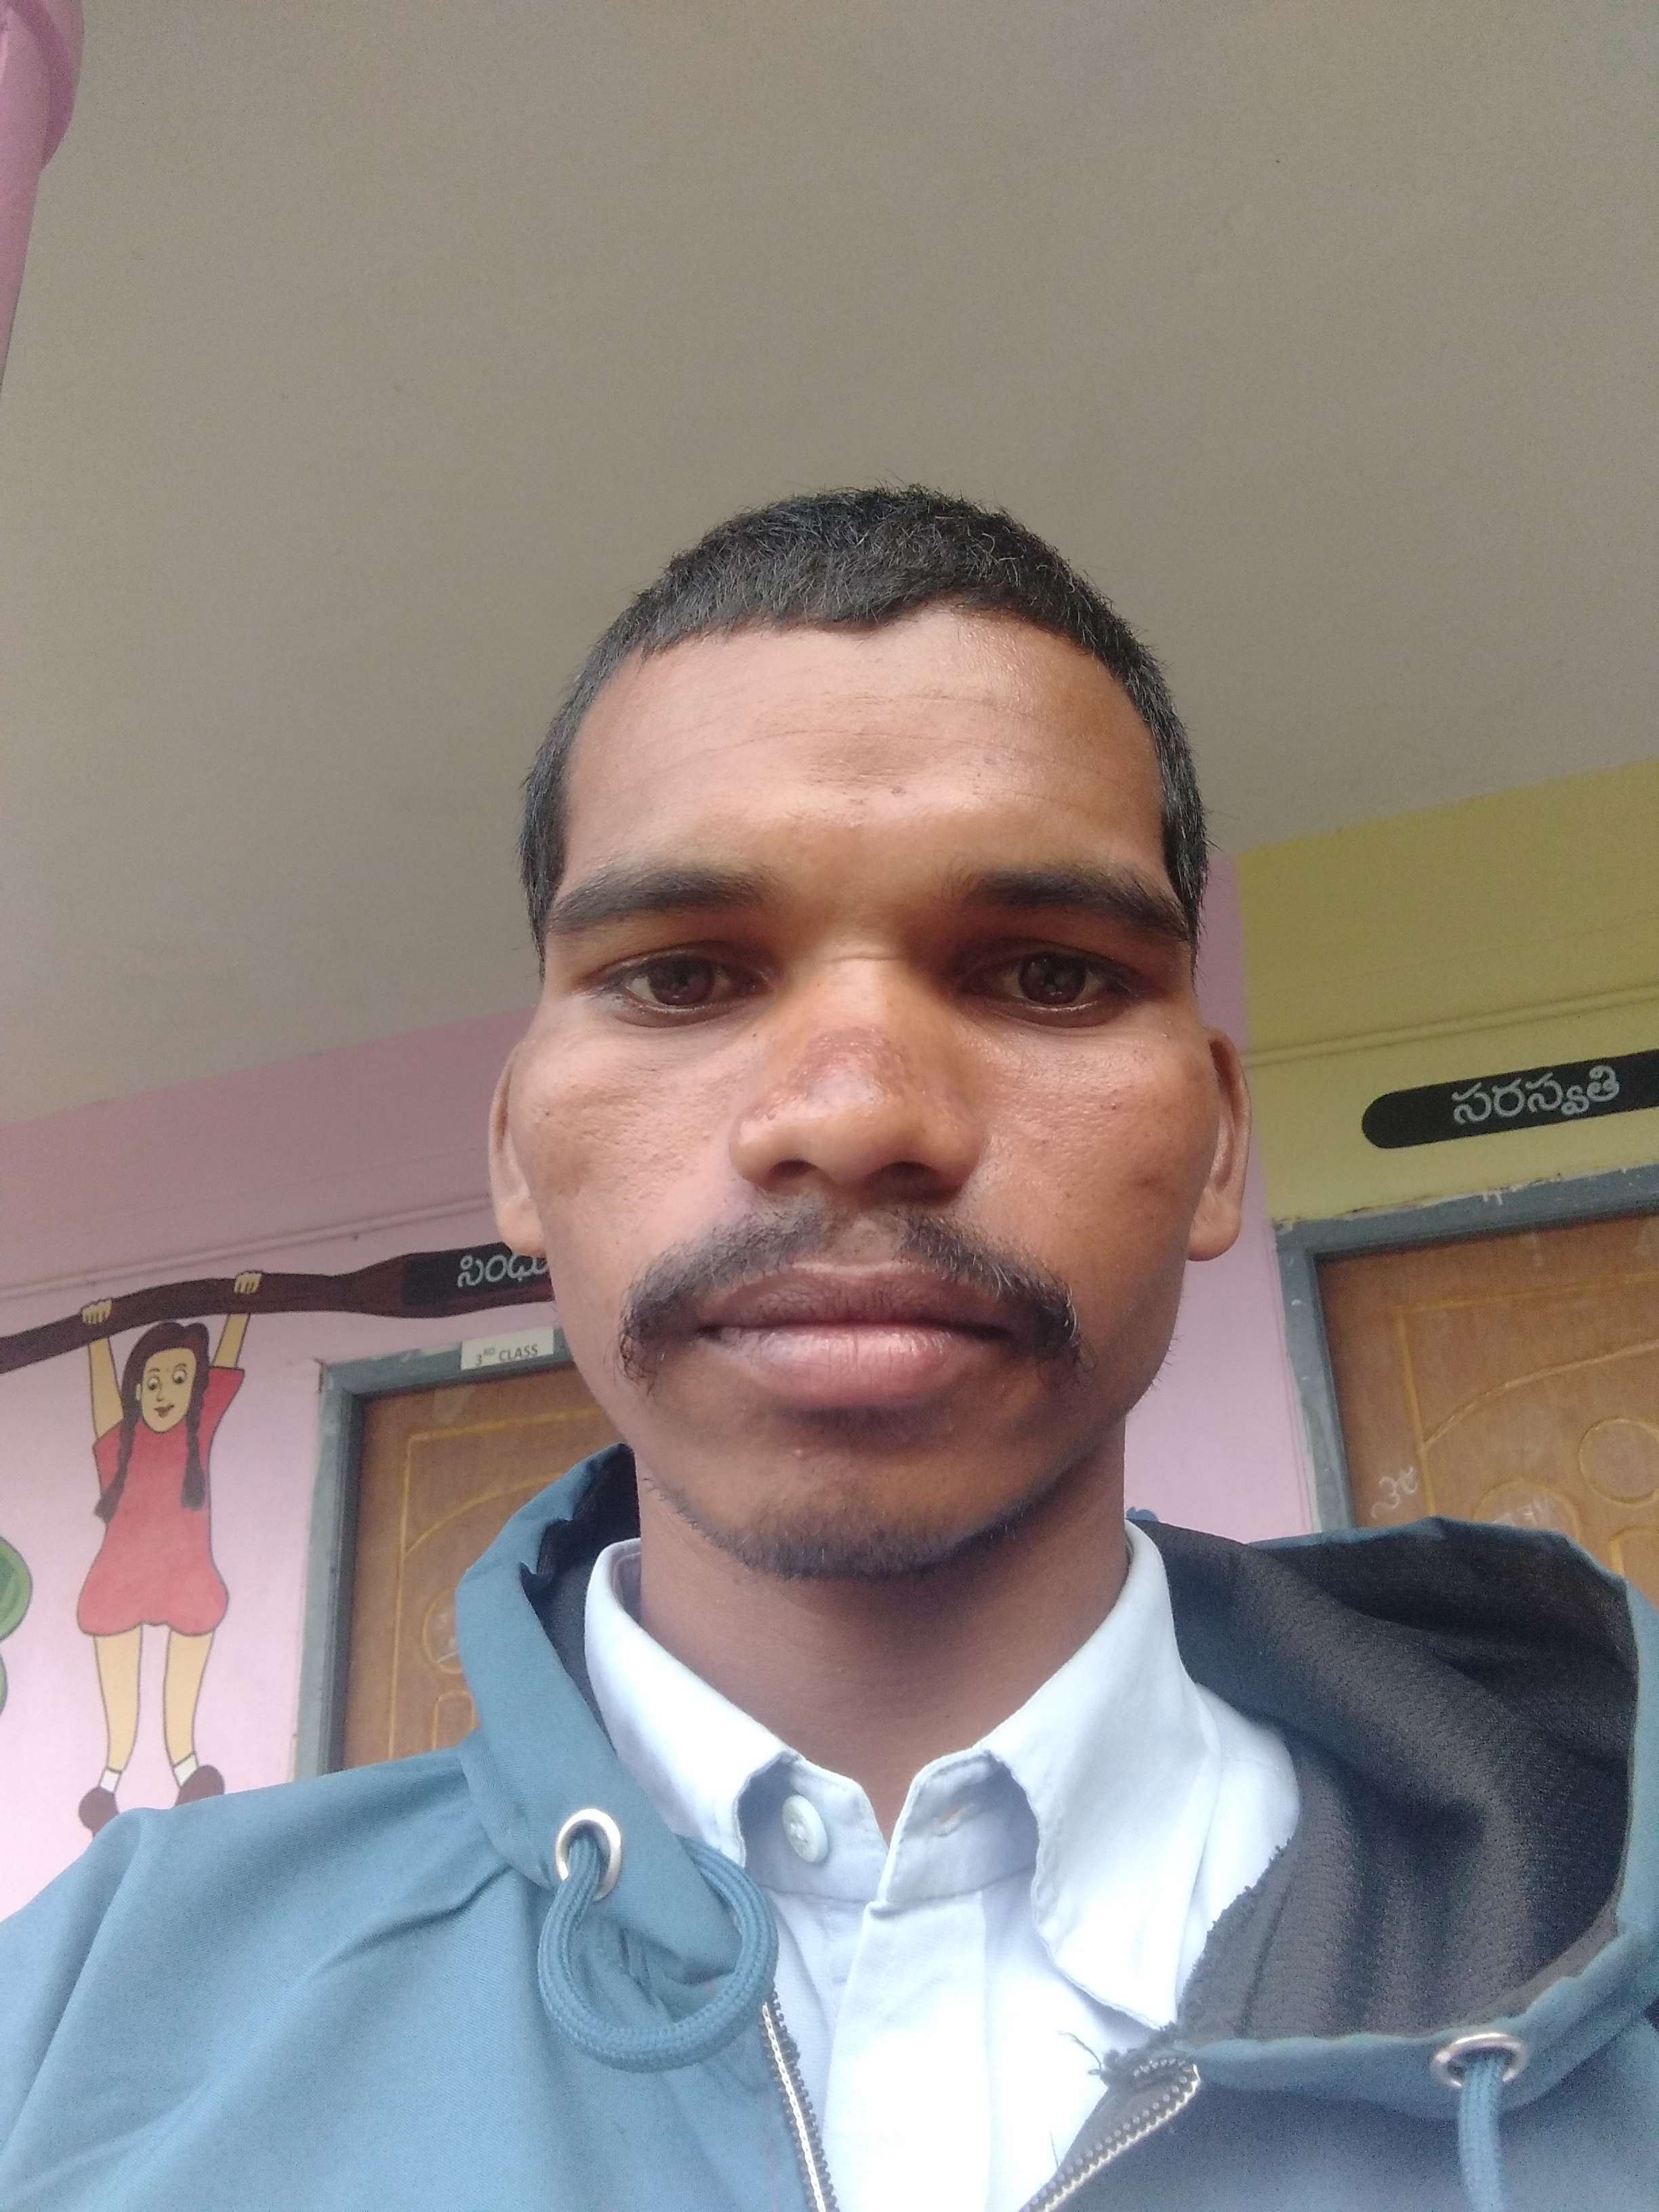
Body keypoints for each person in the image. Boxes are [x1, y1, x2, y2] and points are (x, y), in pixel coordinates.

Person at [1, 490, 1654, 2212]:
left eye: (1045, 974)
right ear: (515, 1153)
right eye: (682, 978)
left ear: (1219, 1143)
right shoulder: (86, 2012)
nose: (857, 1117)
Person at [71, 1278, 261, 1832]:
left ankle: (186, 1769)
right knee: (121, 1711)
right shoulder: (119, 1443)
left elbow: (224, 1365)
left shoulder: (196, 1433)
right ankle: (109, 1784)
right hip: (118, 1583)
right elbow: (102, 1394)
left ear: (195, 1389)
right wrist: (98, 1336)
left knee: (181, 1706)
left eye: (180, 1379)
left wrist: (242, 1307)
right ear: (136, 1389)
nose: (164, 1392)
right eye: (152, 1381)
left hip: (187, 1581)